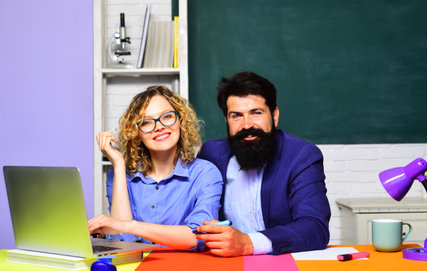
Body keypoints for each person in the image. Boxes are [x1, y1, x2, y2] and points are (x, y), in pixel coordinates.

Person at [195, 71, 331, 256]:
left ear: (274, 115)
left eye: (256, 113)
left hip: (282, 263)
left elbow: (315, 228)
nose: (247, 124)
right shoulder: (211, 154)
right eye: (236, 116)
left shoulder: (302, 156)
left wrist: (248, 243)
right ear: (226, 120)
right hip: (223, 262)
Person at [88, 86, 223, 251]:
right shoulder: (120, 174)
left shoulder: (205, 173)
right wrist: (118, 164)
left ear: (180, 121)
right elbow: (119, 238)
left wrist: (131, 226)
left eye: (166, 117)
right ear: (136, 133)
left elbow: (196, 237)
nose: (159, 127)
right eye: (146, 122)